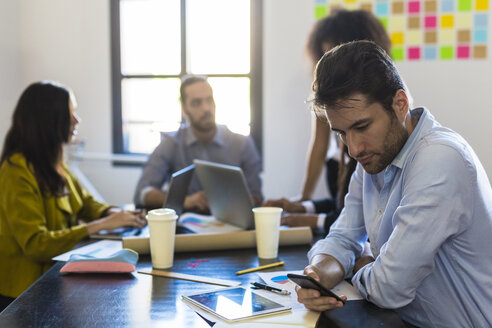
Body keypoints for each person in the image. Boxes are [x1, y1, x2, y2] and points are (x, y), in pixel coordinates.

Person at [296, 40, 492, 327]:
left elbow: (389, 288)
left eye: (361, 127)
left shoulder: (440, 159)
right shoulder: (374, 157)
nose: (353, 148)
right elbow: (343, 237)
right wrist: (317, 275)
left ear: (400, 104)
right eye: (341, 133)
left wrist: (359, 265)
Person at [0, 81, 147, 310]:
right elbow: (37, 245)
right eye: (70, 114)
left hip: (53, 281)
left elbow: (85, 203)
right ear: (48, 121)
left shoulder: (54, 163)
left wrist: (113, 213)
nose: (76, 120)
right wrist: (99, 225)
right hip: (23, 295)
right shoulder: (16, 171)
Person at [265, 9, 390, 232]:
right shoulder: (328, 95)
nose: (330, 61)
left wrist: (312, 218)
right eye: (324, 54)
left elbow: (366, 222)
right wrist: (303, 203)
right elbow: (319, 144)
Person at [134, 75, 263, 211]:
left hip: (233, 225)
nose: (206, 108)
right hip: (186, 226)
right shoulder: (171, 144)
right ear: (184, 110)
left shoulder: (242, 144)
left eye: (209, 100)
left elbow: (257, 197)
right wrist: (184, 201)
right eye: (197, 103)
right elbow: (142, 194)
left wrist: (232, 202)